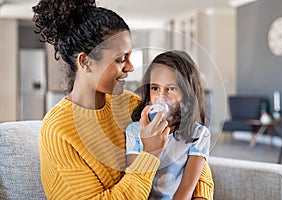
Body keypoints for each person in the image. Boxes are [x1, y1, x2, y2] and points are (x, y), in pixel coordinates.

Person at [32, 0, 214, 199]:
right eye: (120, 59)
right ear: (85, 62)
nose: (130, 67)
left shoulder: (130, 104)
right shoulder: (58, 130)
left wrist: (200, 196)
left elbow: (189, 146)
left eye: (130, 57)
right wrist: (150, 154)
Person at [126, 50, 212, 200]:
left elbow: (186, 191)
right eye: (155, 88)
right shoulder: (134, 131)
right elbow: (135, 185)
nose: (161, 96)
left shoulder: (199, 135)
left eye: (171, 88)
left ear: (187, 93)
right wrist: (150, 146)